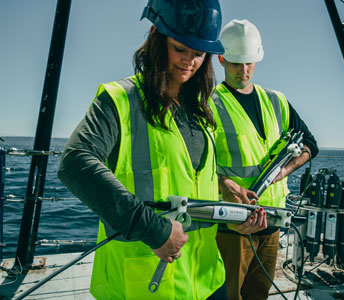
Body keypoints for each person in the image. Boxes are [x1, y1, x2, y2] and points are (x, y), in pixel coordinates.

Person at [58, 2, 266, 299]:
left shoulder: (201, 111)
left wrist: (229, 201)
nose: (190, 62)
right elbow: (75, 164)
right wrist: (153, 230)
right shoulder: (119, 99)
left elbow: (186, 177)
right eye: (180, 49)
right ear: (156, 36)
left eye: (198, 53)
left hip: (208, 281)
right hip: (146, 286)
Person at [209, 19, 319, 300]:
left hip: (272, 223)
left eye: (248, 63)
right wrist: (223, 183)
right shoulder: (208, 102)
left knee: (258, 295)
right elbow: (194, 163)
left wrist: (283, 171)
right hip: (233, 225)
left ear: (257, 60)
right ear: (221, 58)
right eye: (235, 62)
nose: (243, 71)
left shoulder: (276, 100)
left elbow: (309, 144)